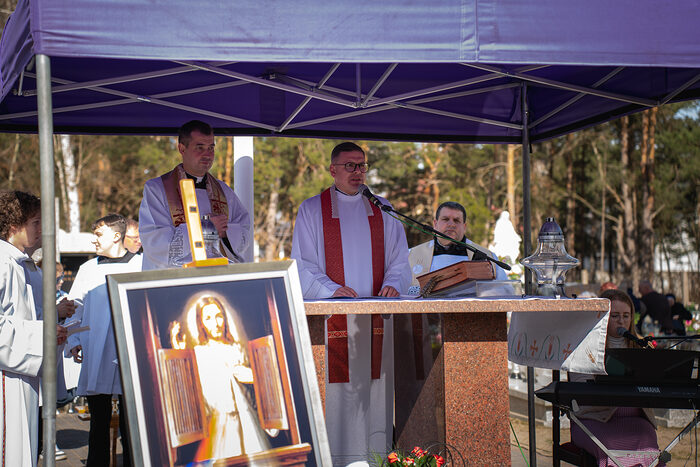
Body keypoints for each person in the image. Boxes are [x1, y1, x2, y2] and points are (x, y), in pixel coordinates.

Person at [291, 142, 411, 465]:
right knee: (338, 399)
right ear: (333, 170)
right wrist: (331, 290)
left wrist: (392, 283)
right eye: (350, 166)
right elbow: (302, 264)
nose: (357, 172)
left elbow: (400, 259)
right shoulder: (312, 210)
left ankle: (375, 459)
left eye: (362, 166)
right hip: (335, 322)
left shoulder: (382, 209)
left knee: (374, 396)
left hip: (375, 322)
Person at [66, 214, 142, 467]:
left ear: (117, 236)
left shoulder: (141, 265)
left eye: (99, 235)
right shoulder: (88, 269)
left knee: (132, 425)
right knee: (98, 422)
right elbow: (74, 307)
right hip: (97, 351)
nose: (94, 240)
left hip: (130, 355)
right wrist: (73, 340)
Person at [0, 190, 67, 467]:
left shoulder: (21, 265)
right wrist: (42, 334)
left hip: (22, 373)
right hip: (6, 377)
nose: (42, 230)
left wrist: (51, 330)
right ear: (13, 225)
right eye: (36, 222)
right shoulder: (3, 264)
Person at [139, 120, 251, 269]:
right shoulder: (157, 189)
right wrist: (206, 229)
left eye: (211, 148)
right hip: (176, 277)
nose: (208, 155)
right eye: (200, 147)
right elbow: (154, 242)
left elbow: (244, 229)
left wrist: (225, 233)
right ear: (182, 148)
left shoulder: (224, 191)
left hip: (216, 274)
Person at [569, 289, 662, 466]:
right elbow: (580, 387)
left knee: (647, 441)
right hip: (594, 419)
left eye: (626, 316)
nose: (621, 321)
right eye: (615, 316)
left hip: (636, 422)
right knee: (609, 445)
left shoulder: (641, 347)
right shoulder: (585, 346)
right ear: (602, 317)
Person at [183, 296, 269, 461]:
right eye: (208, 318)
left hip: (248, 421)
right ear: (201, 323)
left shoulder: (237, 349)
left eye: (218, 316)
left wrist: (253, 378)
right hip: (219, 425)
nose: (215, 323)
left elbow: (253, 391)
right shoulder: (200, 354)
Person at [408, 201, 508, 290]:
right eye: (445, 219)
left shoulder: (487, 258)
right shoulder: (411, 255)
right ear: (435, 224)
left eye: (456, 220)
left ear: (464, 227)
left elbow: (505, 291)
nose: (451, 224)